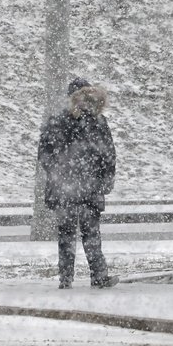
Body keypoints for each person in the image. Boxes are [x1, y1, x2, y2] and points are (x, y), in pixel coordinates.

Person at [38, 77, 119, 290]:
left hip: (81, 189)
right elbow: (45, 154)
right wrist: (61, 175)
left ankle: (81, 277)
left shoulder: (94, 122)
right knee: (79, 234)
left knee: (80, 234)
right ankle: (81, 277)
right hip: (75, 189)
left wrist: (103, 181)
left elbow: (108, 155)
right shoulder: (70, 121)